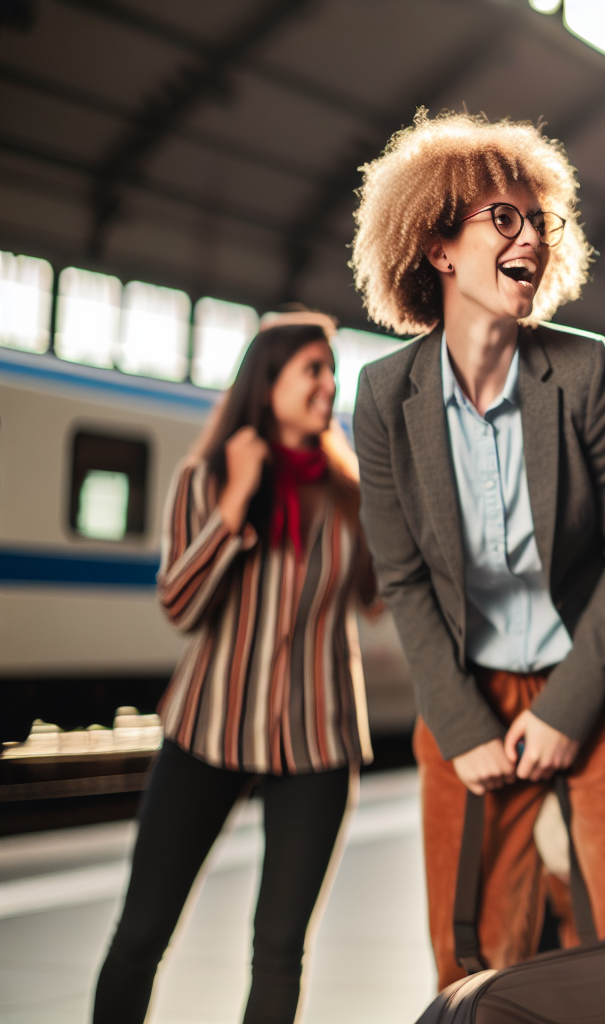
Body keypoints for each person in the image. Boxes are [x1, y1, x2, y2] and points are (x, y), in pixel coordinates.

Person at [349, 110, 605, 989]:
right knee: (472, 954)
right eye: (504, 218)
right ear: (437, 248)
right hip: (471, 684)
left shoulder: (586, 372)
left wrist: (568, 708)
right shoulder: (386, 396)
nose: (530, 234)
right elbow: (402, 575)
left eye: (542, 220)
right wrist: (461, 726)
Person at [94, 311, 378, 1024]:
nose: (328, 384)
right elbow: (181, 605)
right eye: (313, 369)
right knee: (141, 934)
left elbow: (378, 600)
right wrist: (233, 504)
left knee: (280, 949)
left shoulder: (350, 497)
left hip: (318, 737)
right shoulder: (207, 478)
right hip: (209, 726)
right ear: (269, 380)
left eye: (331, 371)